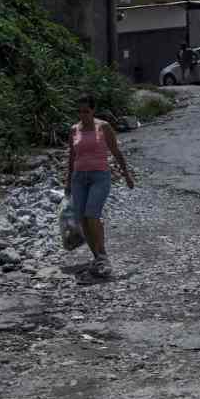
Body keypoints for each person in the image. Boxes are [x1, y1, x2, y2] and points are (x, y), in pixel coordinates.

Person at [65, 94, 135, 278]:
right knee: (82, 218)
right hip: (79, 178)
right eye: (80, 111)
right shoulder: (74, 130)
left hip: (99, 176)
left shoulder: (103, 127)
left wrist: (126, 175)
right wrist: (68, 181)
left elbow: (115, 151)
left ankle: (103, 254)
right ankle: (97, 256)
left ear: (93, 110)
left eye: (86, 111)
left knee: (92, 214)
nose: (83, 115)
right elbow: (72, 157)